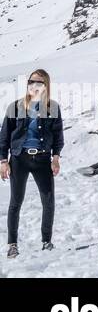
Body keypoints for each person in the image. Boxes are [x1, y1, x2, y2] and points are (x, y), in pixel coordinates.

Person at [2, 69, 62, 258]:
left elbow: (58, 135)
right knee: (16, 202)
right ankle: (12, 244)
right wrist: (3, 161)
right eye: (31, 81)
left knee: (48, 201)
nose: (33, 85)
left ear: (46, 86)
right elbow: (3, 137)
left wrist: (56, 157)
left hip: (43, 160)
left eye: (38, 82)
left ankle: (46, 241)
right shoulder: (15, 106)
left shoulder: (52, 107)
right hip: (19, 159)